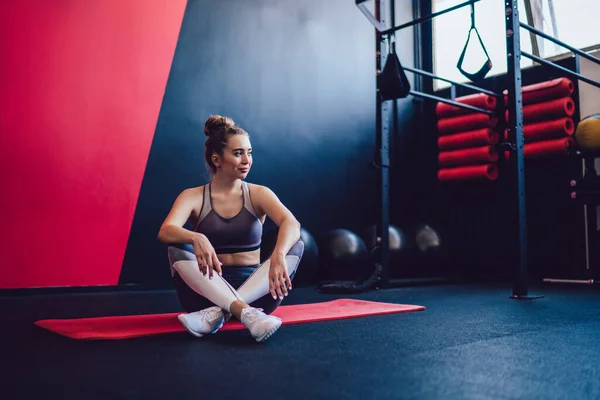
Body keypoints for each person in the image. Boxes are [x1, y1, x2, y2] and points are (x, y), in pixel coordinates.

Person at [157, 115, 304, 343]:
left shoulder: (258, 194)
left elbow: (292, 223)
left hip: (259, 295)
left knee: (296, 244)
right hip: (203, 294)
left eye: (249, 152)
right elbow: (166, 230)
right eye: (238, 153)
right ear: (217, 159)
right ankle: (245, 313)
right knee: (176, 246)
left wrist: (279, 254)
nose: (247, 160)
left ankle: (222, 313)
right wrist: (196, 237)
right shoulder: (193, 196)